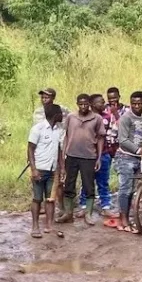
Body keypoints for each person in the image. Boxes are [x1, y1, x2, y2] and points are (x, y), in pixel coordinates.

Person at [59, 94, 105, 225]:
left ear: (89, 104)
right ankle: (68, 213)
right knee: (69, 184)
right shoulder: (71, 117)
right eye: (81, 104)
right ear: (77, 104)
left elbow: (101, 138)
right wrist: (64, 153)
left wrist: (99, 157)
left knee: (89, 186)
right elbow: (66, 136)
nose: (83, 107)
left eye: (86, 104)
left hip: (89, 156)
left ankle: (88, 214)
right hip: (72, 155)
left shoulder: (97, 118)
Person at [115, 91, 142, 233]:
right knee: (125, 190)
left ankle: (127, 218)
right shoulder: (125, 118)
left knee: (131, 191)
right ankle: (123, 220)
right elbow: (123, 140)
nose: (136, 106)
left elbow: (138, 134)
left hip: (135, 158)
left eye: (140, 103)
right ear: (130, 103)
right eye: (134, 103)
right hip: (125, 158)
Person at [28, 103, 64, 238]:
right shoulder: (38, 129)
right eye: (60, 113)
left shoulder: (58, 130)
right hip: (40, 169)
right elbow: (30, 149)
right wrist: (34, 169)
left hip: (52, 170)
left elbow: (59, 151)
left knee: (50, 199)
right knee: (37, 198)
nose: (62, 115)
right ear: (55, 115)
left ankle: (49, 225)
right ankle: (35, 227)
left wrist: (62, 168)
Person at [79, 94, 116, 216]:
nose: (104, 103)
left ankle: (105, 206)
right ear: (93, 104)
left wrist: (111, 152)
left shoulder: (108, 117)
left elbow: (112, 135)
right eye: (101, 102)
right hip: (88, 155)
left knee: (103, 181)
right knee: (87, 181)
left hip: (104, 154)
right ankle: (84, 206)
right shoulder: (85, 117)